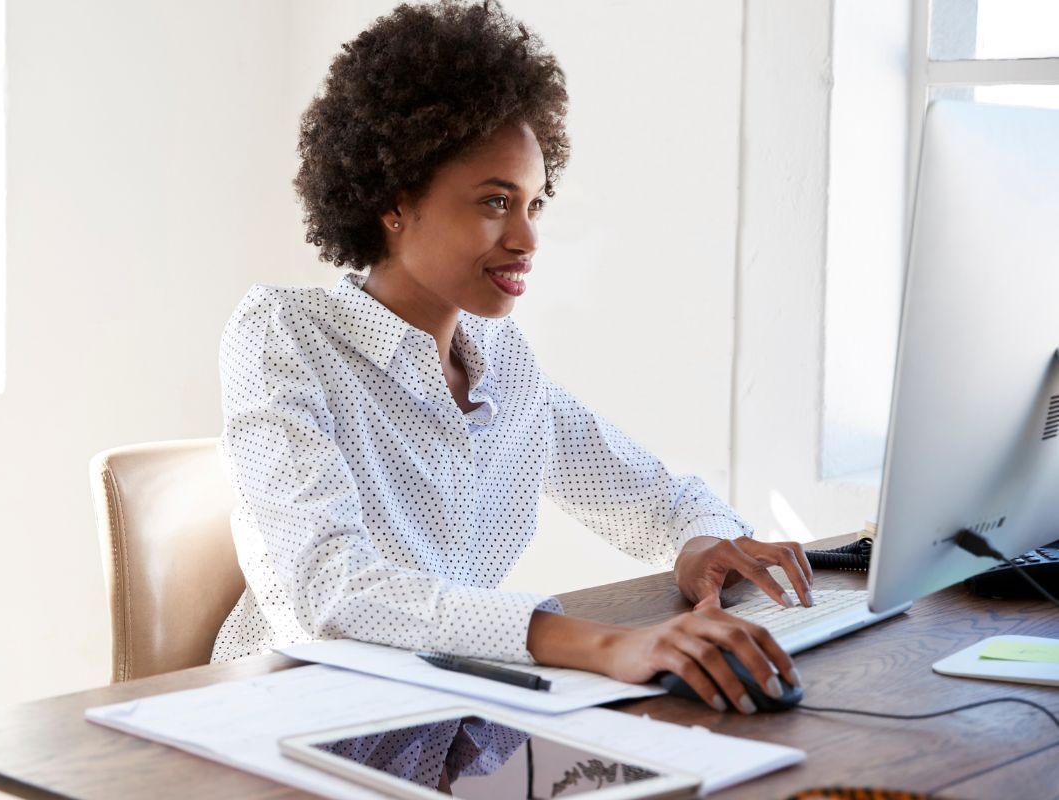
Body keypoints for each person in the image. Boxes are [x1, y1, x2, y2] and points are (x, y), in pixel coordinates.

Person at [210, 0, 812, 715]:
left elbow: (652, 498)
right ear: (394, 203)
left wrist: (699, 545)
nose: (527, 239)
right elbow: (329, 594)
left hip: (445, 711)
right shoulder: (283, 334)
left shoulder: (500, 359)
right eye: (497, 202)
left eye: (534, 204)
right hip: (282, 716)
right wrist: (603, 645)